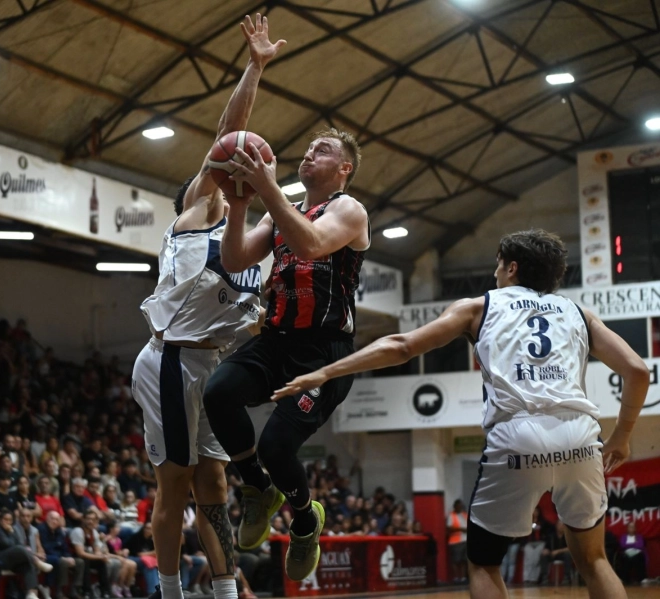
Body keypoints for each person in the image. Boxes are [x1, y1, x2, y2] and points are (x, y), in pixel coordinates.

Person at [274, 229, 650, 599]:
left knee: (484, 564)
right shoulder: (579, 313)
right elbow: (637, 370)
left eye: (499, 266)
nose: (495, 274)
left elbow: (403, 345)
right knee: (595, 560)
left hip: (518, 435)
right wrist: (622, 436)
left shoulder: (479, 307)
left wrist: (326, 371)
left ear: (512, 268)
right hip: (580, 436)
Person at [130, 15, 285, 599]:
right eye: (219, 175)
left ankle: (224, 591)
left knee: (215, 481)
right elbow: (231, 132)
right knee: (175, 481)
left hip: (209, 366)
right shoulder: (197, 214)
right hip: (169, 358)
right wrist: (254, 67)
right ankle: (169, 591)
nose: (227, 176)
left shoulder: (258, 242)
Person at [202, 87, 368, 581]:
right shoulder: (282, 209)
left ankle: (303, 521)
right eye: (310, 147)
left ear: (344, 169)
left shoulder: (349, 210)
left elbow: (313, 245)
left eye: (325, 150)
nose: (311, 152)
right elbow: (233, 260)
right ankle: (257, 489)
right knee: (219, 393)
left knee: (277, 446)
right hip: (276, 338)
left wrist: (269, 191)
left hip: (323, 352)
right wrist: (237, 205)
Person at [39, 510, 84, 599]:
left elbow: (64, 547)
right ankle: (59, 592)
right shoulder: (41, 529)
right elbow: (46, 547)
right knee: (62, 562)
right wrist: (62, 557)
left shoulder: (59, 530)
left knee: (80, 562)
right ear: (47, 519)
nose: (54, 521)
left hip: (60, 555)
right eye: (52, 519)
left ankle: (74, 589)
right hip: (46, 556)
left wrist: (68, 557)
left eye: (57, 519)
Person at [447, 499, 468, 582]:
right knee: (456, 560)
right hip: (455, 541)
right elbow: (449, 527)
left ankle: (463, 577)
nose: (460, 507)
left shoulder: (464, 515)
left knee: (464, 560)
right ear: (455, 506)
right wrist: (461, 529)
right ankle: (456, 577)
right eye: (459, 506)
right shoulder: (451, 515)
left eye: (461, 506)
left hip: (465, 540)